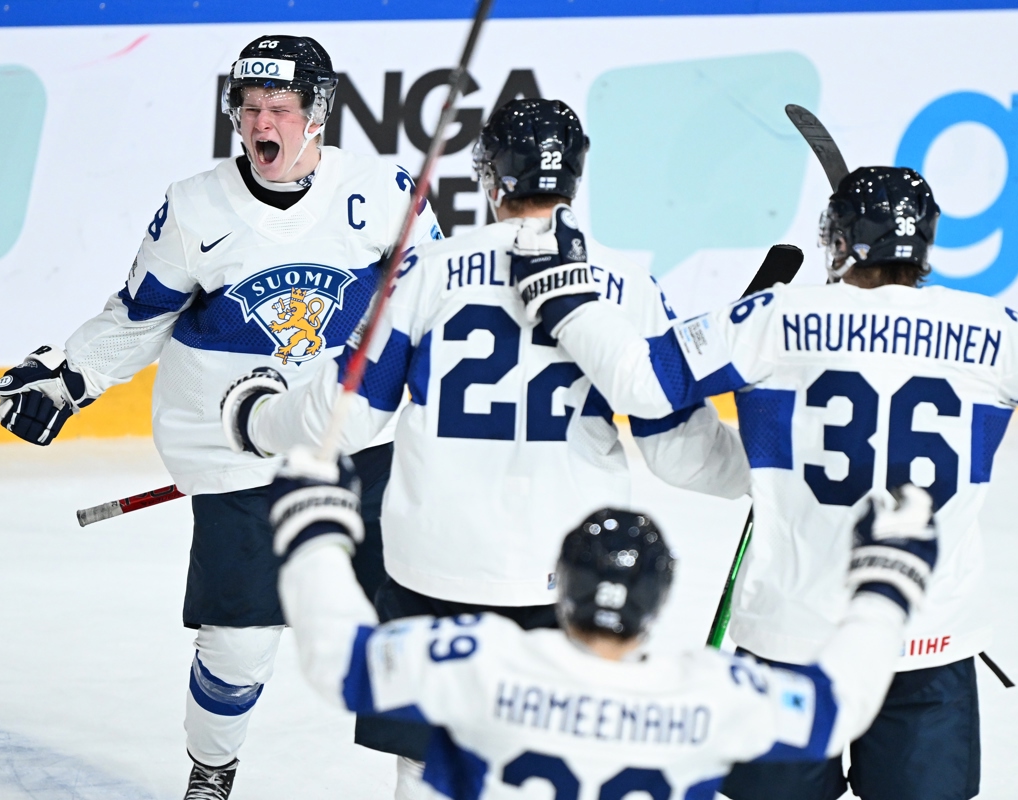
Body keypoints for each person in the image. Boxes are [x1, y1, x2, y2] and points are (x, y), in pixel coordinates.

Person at [506, 166, 1018, 800]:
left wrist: (563, 296)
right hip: (927, 643)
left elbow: (642, 384)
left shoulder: (777, 316)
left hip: (789, 639)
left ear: (838, 242)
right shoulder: (995, 329)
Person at [220, 98, 747, 796]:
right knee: (554, 767)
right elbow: (679, 449)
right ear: (574, 176)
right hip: (571, 577)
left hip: (436, 566)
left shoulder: (425, 271)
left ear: (488, 177)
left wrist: (255, 419)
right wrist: (770, 472)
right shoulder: (628, 285)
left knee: (428, 769)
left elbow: (343, 420)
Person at [0, 36, 441, 799]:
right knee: (240, 643)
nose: (261, 123)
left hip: (360, 441)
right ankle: (212, 768)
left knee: (414, 616)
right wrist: (70, 379)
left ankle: (427, 783)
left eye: (279, 109)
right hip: (237, 450)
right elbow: (140, 316)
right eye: (250, 107)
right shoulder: (196, 207)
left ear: (317, 116)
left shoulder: (384, 191)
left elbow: (431, 307)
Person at [266, 445, 941, 799]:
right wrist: (887, 581)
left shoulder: (483, 659)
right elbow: (835, 708)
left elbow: (341, 661)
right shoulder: (709, 693)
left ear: (560, 587)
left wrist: (313, 531)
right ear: (657, 604)